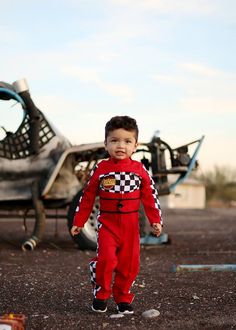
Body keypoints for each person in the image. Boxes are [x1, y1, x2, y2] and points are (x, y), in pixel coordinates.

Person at [71, 115, 163, 314]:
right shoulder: (102, 169)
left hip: (131, 228)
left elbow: (150, 196)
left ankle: (122, 297)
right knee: (107, 261)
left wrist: (155, 220)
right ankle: (101, 294)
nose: (120, 146)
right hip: (108, 226)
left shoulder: (139, 170)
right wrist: (79, 220)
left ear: (135, 145)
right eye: (114, 141)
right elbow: (87, 196)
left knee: (130, 265)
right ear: (106, 143)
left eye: (127, 141)